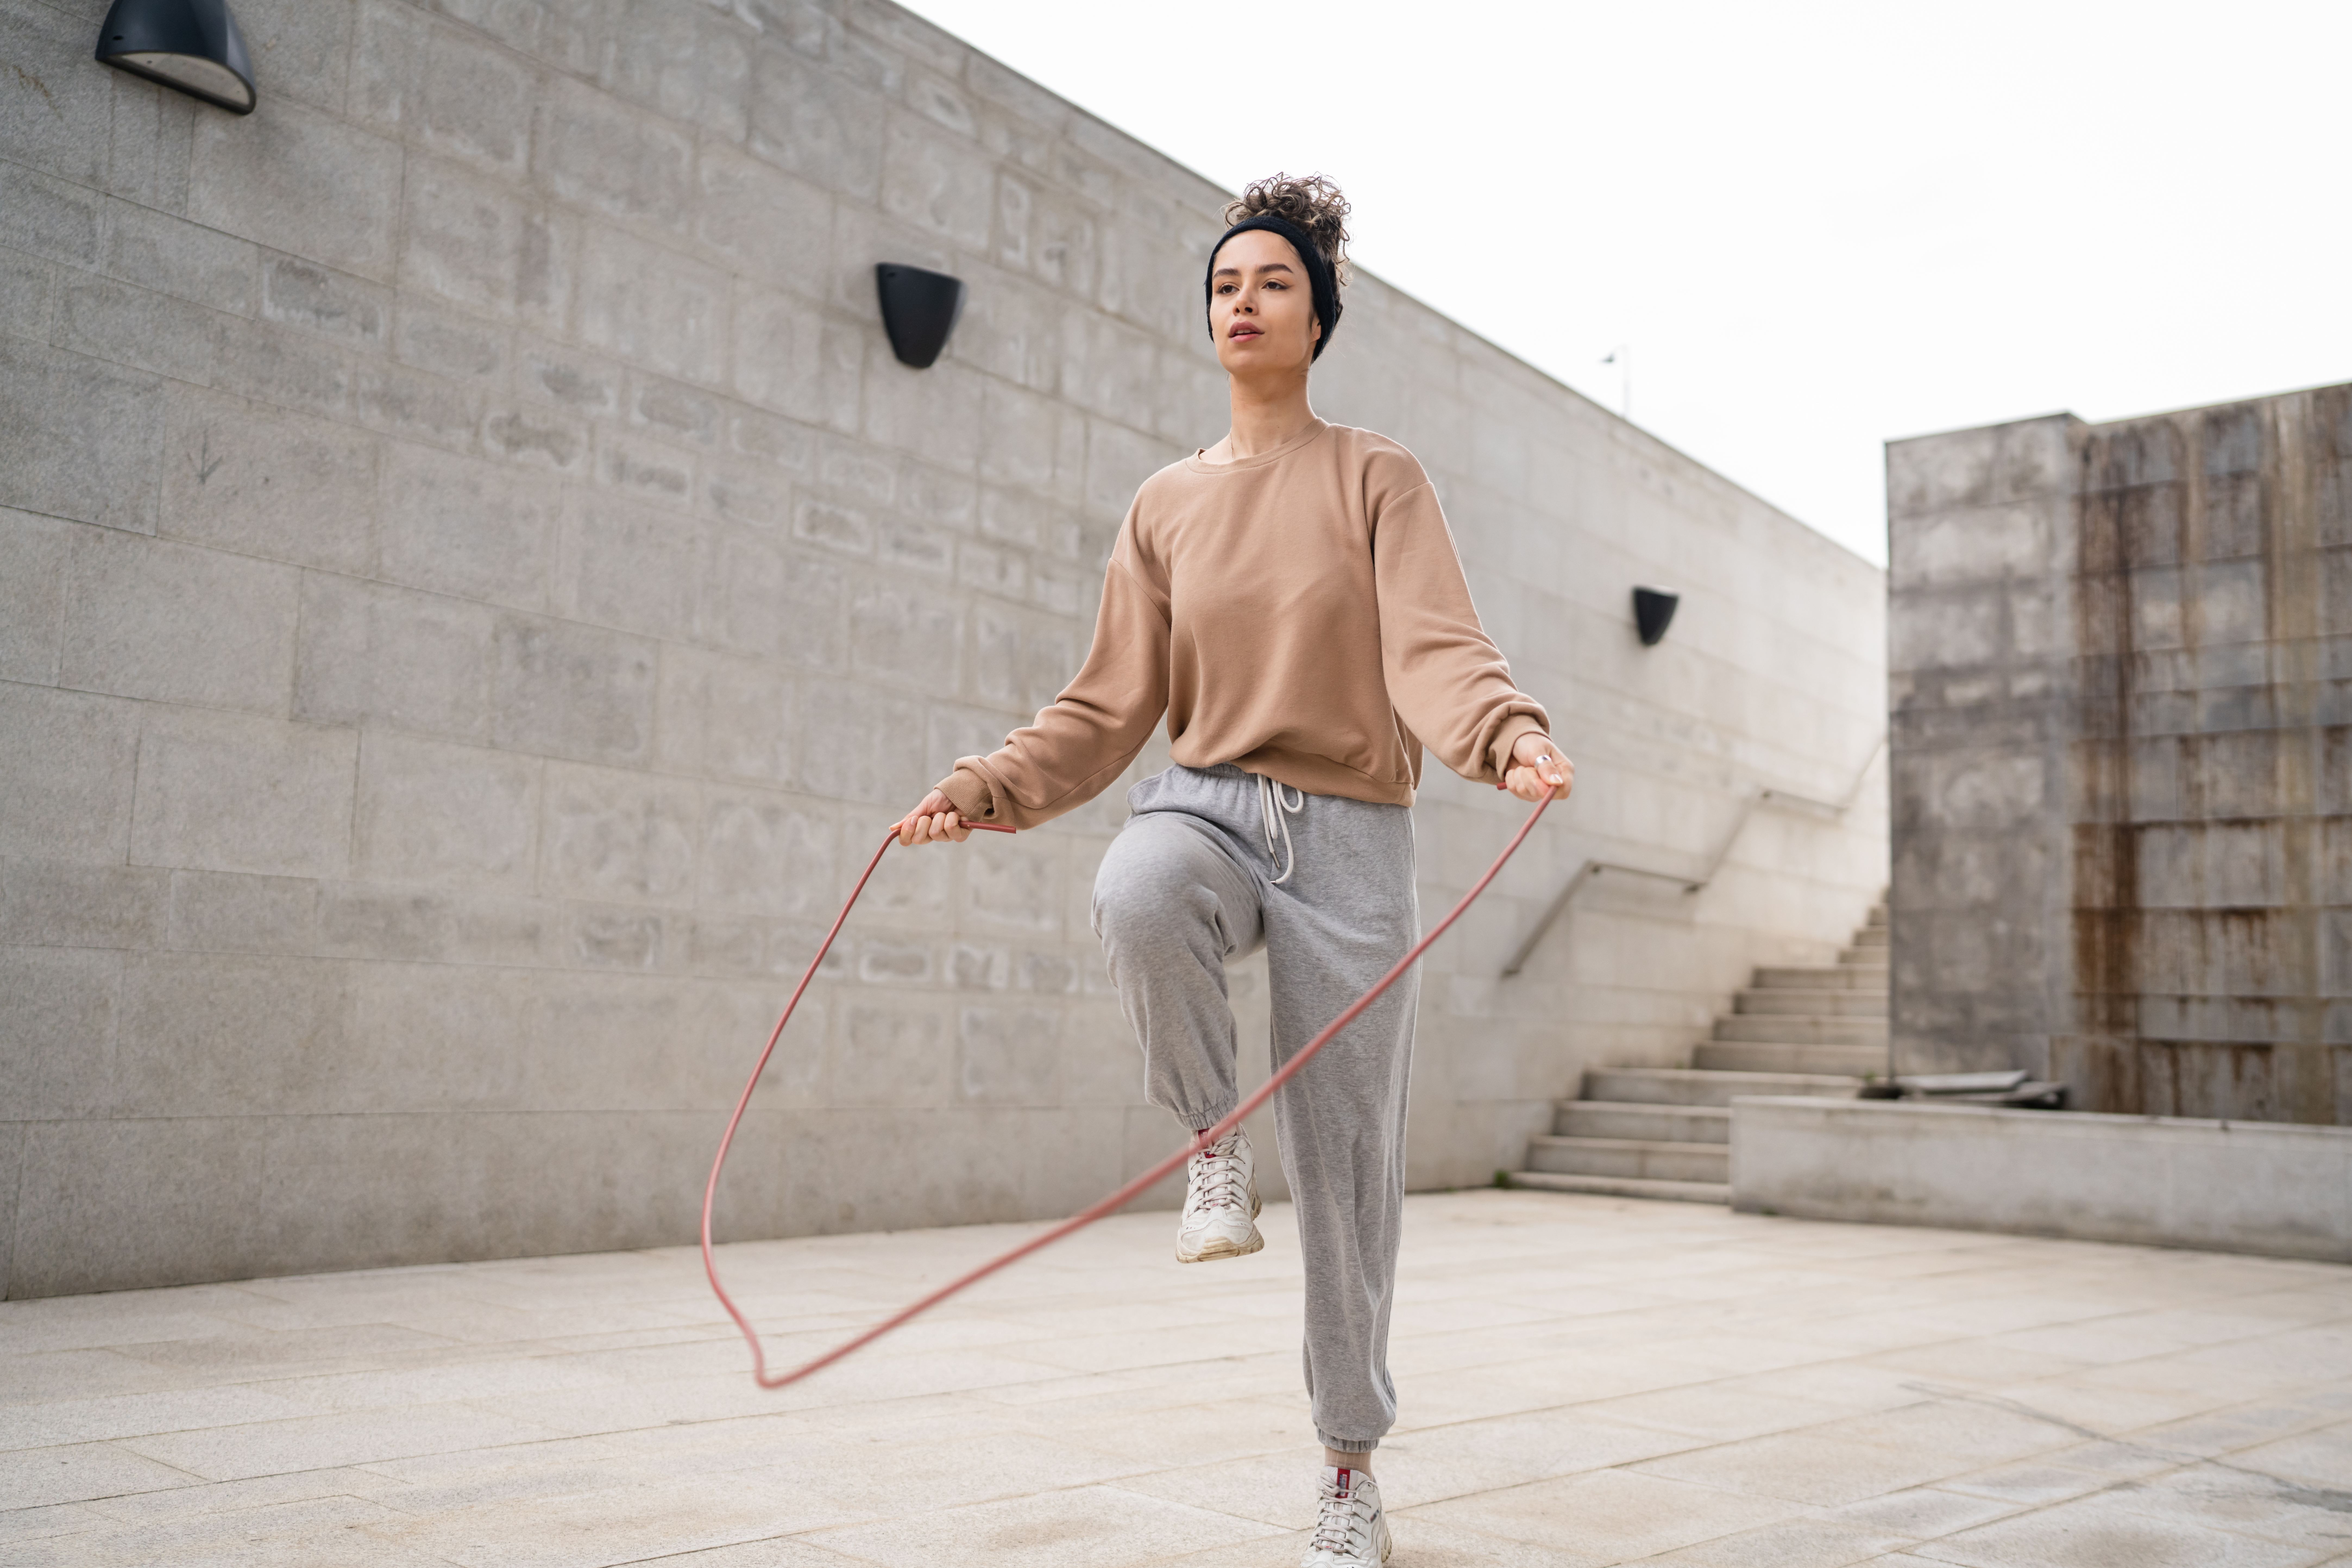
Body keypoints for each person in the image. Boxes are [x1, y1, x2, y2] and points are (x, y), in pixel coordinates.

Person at [894, 173, 1571, 1568]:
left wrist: (1504, 738)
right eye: (1222, 285)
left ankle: (1345, 1472)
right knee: (1134, 893)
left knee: (1347, 1167)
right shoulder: (1162, 506)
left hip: (1348, 833)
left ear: (1317, 315)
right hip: (1202, 799)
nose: (1243, 302)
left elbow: (1434, 645)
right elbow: (1105, 703)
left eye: (1270, 282)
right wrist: (987, 785)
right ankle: (1213, 1145)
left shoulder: (1374, 476)